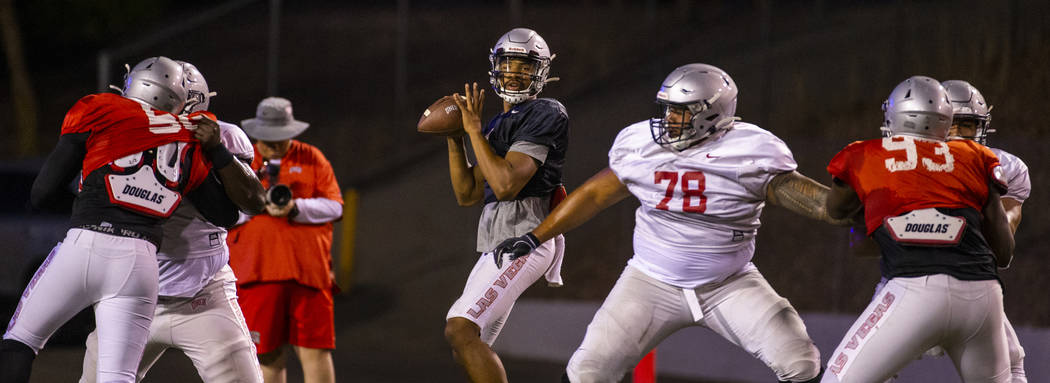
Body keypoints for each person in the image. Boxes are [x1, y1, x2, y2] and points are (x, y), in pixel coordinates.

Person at [495, 63, 848, 383]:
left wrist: (853, 195)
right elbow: (595, 195)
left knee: (800, 361)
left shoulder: (750, 150)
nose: (669, 120)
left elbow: (817, 204)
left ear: (714, 113)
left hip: (729, 283)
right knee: (587, 370)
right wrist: (537, 236)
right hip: (650, 281)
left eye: (682, 112)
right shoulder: (641, 144)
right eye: (667, 110)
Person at [1, 56, 243, 383]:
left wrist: (87, 209)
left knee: (20, 342)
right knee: (117, 377)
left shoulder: (100, 110)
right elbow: (225, 215)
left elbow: (41, 193)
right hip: (139, 264)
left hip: (84, 243)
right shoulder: (189, 140)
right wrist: (216, 152)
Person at [79, 61, 267, 383]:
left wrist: (216, 151)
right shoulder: (115, 134)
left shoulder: (223, 137)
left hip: (202, 295)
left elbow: (251, 203)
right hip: (132, 294)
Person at [822, 76, 1014, 382]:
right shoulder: (977, 157)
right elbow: (1003, 252)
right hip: (983, 296)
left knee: (837, 379)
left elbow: (834, 210)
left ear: (893, 115)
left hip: (913, 288)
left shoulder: (865, 154)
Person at [443, 27, 568, 383]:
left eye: (524, 65)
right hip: (497, 242)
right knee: (465, 342)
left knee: (460, 329)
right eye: (508, 63)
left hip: (527, 237)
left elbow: (506, 185)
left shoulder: (547, 112)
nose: (514, 72)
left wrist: (473, 132)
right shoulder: (500, 123)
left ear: (540, 71)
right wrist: (456, 141)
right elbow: (467, 194)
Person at [227, 97, 343, 383]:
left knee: (316, 352)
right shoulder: (242, 160)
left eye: (280, 138)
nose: (274, 145)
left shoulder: (311, 157)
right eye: (267, 139)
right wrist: (259, 205)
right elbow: (226, 214)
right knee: (266, 356)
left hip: (309, 275)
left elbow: (335, 206)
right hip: (257, 274)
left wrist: (295, 208)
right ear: (256, 133)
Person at [942, 79, 1029, 382]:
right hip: (907, 276)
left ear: (980, 127)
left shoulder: (1001, 166)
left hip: (971, 281)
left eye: (964, 124)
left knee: (1013, 362)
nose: (955, 133)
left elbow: (1002, 248)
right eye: (947, 123)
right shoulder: (904, 161)